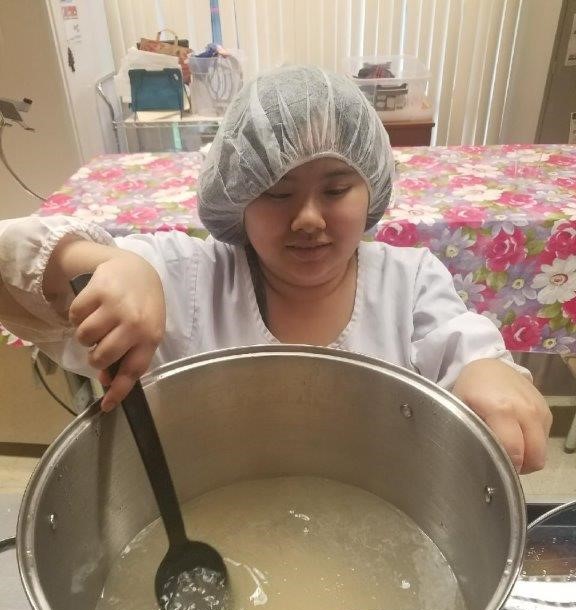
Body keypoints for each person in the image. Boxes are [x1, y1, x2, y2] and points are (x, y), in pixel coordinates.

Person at [0, 65, 551, 473]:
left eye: (336, 189)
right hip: (204, 506)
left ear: (372, 189)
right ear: (236, 199)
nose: (308, 218)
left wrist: (489, 372)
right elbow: (11, 261)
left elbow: (462, 345)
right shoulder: (187, 282)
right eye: (275, 191)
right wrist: (103, 263)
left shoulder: (409, 283)